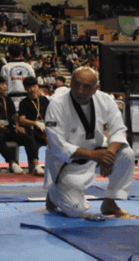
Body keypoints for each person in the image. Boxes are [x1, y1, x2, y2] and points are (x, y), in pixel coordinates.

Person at [44, 67, 135, 218]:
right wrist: (94, 155)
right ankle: (54, 191)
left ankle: (109, 202)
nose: (80, 91)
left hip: (98, 154)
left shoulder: (105, 100)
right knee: (75, 210)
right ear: (70, 83)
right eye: (76, 84)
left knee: (126, 154)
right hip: (67, 164)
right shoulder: (57, 105)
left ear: (96, 88)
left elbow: (118, 130)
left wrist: (109, 154)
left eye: (86, 86)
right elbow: (56, 145)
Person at [0, 76, 40, 175]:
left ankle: (36, 165)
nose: (5, 87)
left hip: (10, 129)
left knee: (27, 138)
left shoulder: (7, 100)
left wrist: (17, 126)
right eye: (2, 84)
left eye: (5, 84)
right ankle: (12, 163)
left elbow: (14, 115)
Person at [17, 76, 48, 174]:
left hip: (46, 130)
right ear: (25, 89)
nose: (32, 89)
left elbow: (53, 115)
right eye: (29, 87)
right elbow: (22, 120)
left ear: (37, 86)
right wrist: (35, 123)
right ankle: (36, 166)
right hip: (33, 131)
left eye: (34, 86)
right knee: (30, 138)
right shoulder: (23, 103)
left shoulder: (44, 100)